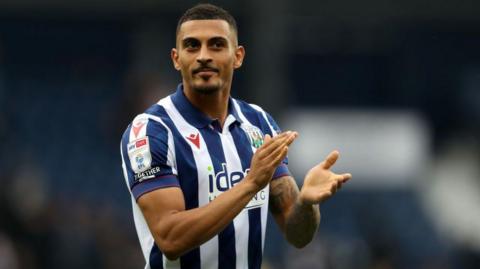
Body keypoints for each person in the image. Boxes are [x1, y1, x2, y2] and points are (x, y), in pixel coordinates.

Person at [120, 3, 352, 269]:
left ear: (238, 56)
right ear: (176, 58)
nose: (203, 56)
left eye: (217, 45)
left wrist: (308, 204)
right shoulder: (151, 130)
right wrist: (250, 184)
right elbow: (170, 239)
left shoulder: (259, 123)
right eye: (192, 46)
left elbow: (297, 234)